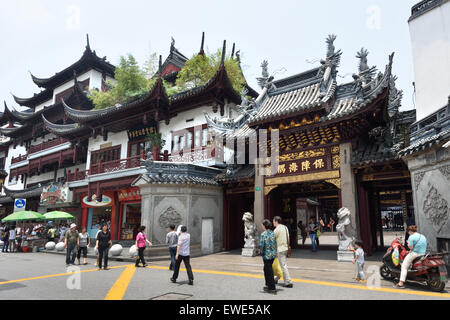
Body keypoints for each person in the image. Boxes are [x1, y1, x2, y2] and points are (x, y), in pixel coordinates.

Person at [273, 216, 293, 288]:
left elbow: (272, 239)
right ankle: (276, 278)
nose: (273, 223)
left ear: (276, 221)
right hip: (285, 248)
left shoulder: (277, 229)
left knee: (283, 265)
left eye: (273, 221)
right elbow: (288, 237)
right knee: (280, 264)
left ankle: (288, 282)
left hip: (280, 249)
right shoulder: (285, 227)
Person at [259, 219, 277, 294]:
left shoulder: (263, 234)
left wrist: (260, 251)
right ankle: (268, 284)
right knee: (267, 269)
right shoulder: (273, 233)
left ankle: (272, 287)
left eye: (262, 225)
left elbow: (261, 245)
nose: (261, 226)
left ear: (264, 226)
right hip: (272, 254)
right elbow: (275, 243)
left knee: (268, 271)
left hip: (266, 255)